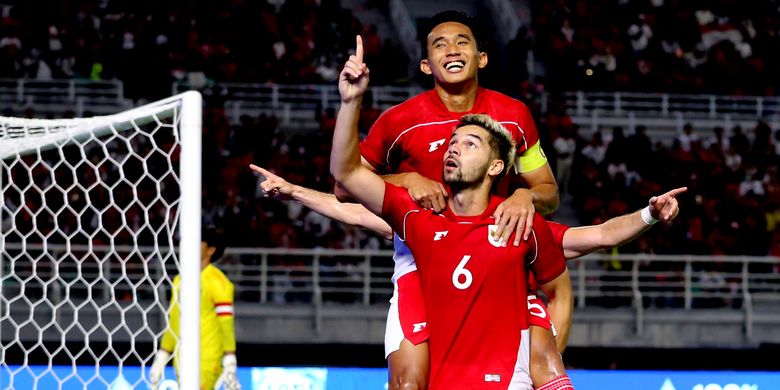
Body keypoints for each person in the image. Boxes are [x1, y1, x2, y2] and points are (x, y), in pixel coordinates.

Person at [328, 33, 570, 388]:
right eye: (440, 44)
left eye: (462, 42)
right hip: (420, 254)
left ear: (482, 57)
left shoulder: (515, 116)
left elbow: (550, 195)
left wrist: (526, 197)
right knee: (409, 381)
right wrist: (405, 176)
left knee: (545, 367)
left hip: (495, 259)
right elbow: (344, 183)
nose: (452, 50)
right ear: (426, 64)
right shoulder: (399, 123)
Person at [251, 172, 685, 353]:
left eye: (469, 142)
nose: (455, 152)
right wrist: (293, 192)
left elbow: (601, 235)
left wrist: (649, 212)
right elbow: (351, 209)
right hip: (442, 348)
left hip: (501, 352)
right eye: (453, 144)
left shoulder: (516, 221)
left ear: (495, 166)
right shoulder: (423, 218)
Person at [149, 226, 241, 390]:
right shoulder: (179, 280)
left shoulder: (218, 282)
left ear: (210, 250)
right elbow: (174, 320)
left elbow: (226, 323)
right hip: (181, 359)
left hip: (206, 360)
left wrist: (230, 359)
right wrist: (162, 355)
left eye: (198, 242)